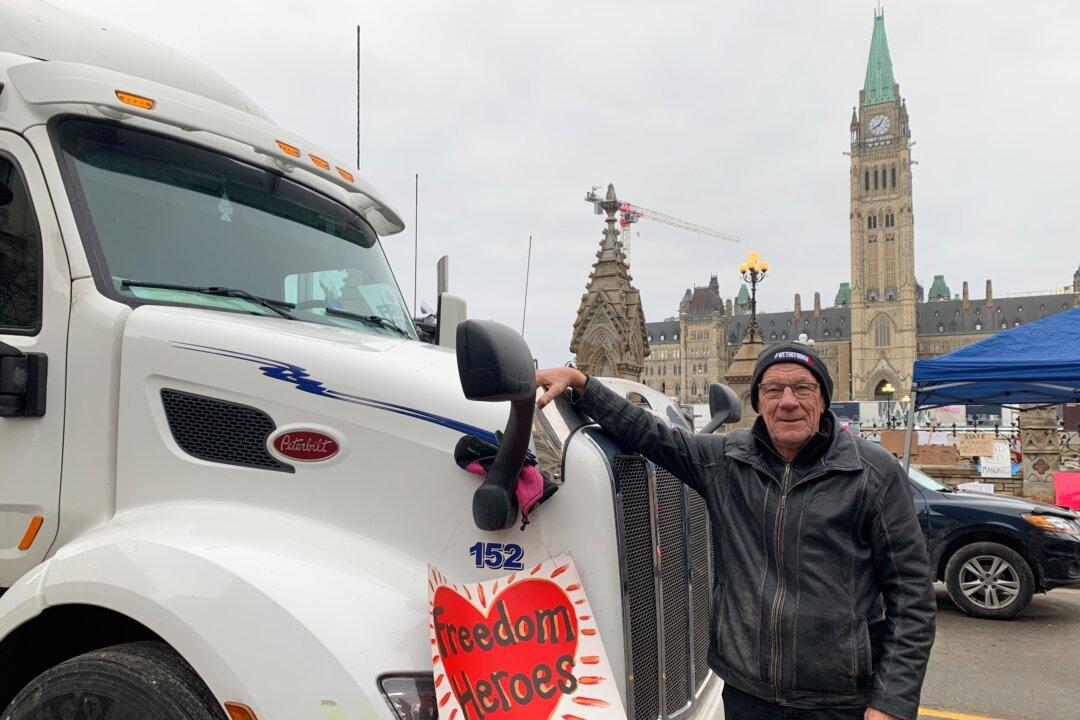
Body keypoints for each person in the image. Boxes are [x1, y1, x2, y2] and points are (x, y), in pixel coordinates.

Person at [536, 342, 935, 720]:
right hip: (748, 695)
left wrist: (892, 702)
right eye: (774, 389)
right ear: (758, 401)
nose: (788, 402)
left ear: (823, 399)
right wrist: (582, 385)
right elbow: (651, 435)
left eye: (802, 388)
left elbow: (912, 597)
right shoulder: (728, 460)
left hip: (837, 700)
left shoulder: (874, 473)